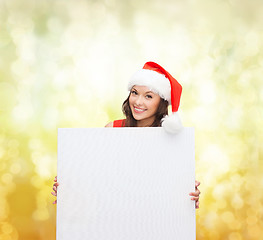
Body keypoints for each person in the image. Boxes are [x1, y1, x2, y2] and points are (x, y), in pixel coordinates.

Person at [52, 61, 201, 208]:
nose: (138, 102)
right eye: (134, 93)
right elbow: (97, 178)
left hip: (153, 217)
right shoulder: (112, 130)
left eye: (148, 96)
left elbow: (170, 187)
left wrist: (187, 194)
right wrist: (69, 190)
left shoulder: (173, 140)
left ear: (161, 102)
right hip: (116, 213)